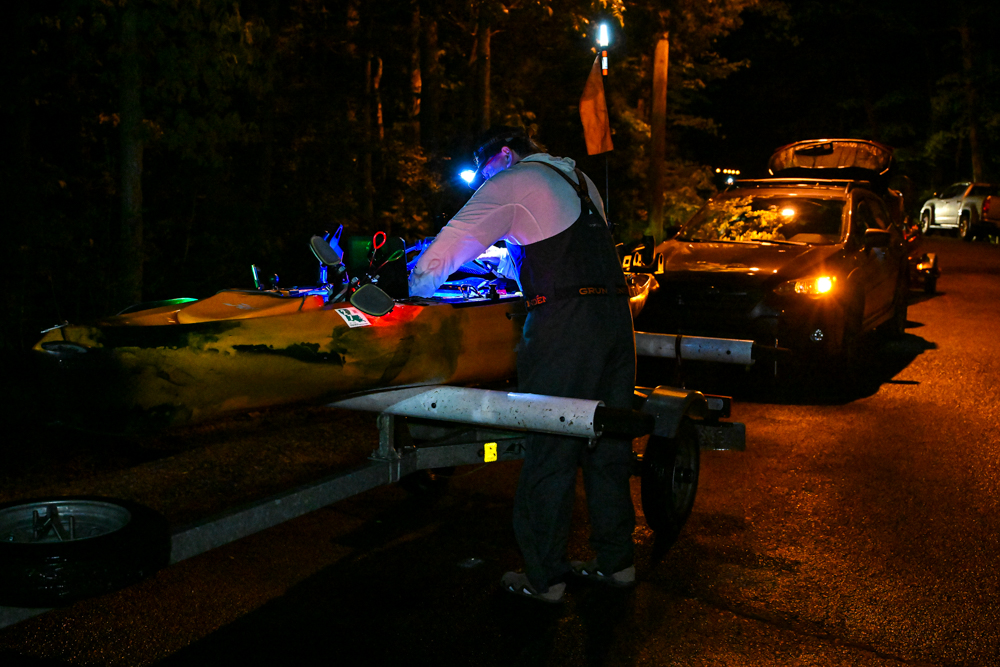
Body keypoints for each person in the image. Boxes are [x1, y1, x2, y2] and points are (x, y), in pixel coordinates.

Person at [408, 126, 637, 603]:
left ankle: (544, 578)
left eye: (483, 171)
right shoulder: (579, 179)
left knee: (550, 445)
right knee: (608, 445)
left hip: (566, 327)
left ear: (505, 155)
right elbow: (555, 250)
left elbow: (438, 259)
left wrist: (412, 290)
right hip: (616, 321)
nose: (482, 182)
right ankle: (617, 564)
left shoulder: (512, 180)